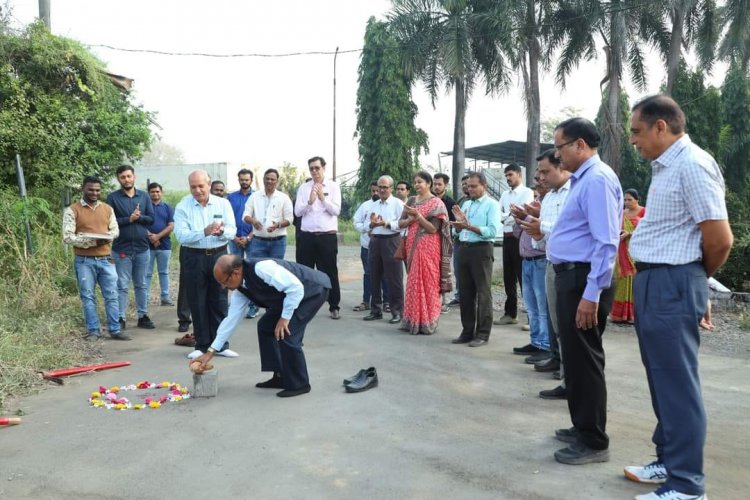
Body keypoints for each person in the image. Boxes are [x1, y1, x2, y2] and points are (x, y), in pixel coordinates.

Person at [626, 95, 733, 500]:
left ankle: (687, 486)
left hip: (674, 281)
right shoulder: (666, 167)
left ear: (661, 126)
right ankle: (669, 461)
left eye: (637, 132)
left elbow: (720, 240)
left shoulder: (692, 164)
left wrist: (693, 279)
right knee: (660, 381)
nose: (633, 140)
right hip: (655, 280)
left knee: (677, 385)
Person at [546, 117, 622, 465]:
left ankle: (594, 441)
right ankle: (582, 426)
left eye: (560, 146)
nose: (557, 154)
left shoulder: (598, 180)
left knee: (585, 359)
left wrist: (592, 294)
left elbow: (606, 242)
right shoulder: (584, 180)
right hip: (572, 278)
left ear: (579, 145)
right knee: (575, 359)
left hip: (584, 281)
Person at [190, 254, 331, 398]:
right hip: (287, 298)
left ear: (236, 273)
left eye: (224, 281)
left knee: (287, 332)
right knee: (266, 326)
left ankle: (300, 384)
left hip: (312, 291)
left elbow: (295, 288)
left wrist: (284, 318)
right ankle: (280, 375)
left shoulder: (261, 268)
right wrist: (210, 351)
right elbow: (231, 320)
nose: (223, 287)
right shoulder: (241, 290)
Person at [519, 149, 572, 400]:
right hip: (553, 263)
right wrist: (535, 229)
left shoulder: (576, 190)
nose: (540, 177)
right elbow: (544, 240)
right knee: (558, 325)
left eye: (545, 171)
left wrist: (541, 226)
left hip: (575, 268)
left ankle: (574, 382)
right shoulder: (549, 198)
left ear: (561, 167)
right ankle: (565, 377)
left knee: (574, 332)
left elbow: (569, 227)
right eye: (539, 172)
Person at [174, 170, 238, 359]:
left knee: (219, 300)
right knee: (197, 299)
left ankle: (220, 345)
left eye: (201, 186)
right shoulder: (183, 206)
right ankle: (202, 345)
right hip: (194, 256)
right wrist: (204, 232)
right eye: (193, 186)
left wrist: (221, 232)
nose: (198, 190)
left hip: (218, 255)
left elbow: (232, 230)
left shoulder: (223, 203)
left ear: (209, 185)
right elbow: (181, 236)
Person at [63, 176, 129, 341]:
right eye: (91, 189)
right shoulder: (72, 210)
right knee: (88, 296)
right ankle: (93, 331)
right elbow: (67, 237)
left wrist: (106, 237)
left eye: (98, 190)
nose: (94, 193)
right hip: (84, 260)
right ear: (83, 189)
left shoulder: (107, 209)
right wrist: (92, 241)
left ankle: (115, 330)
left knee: (112, 294)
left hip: (106, 259)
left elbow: (115, 231)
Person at [450, 172, 501, 347]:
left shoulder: (492, 205)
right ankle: (467, 331)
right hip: (463, 249)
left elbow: (492, 231)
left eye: (473, 186)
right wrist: (457, 227)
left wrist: (468, 226)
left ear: (484, 186)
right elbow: (458, 231)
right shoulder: (466, 205)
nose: (469, 189)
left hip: (481, 250)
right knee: (465, 293)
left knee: (483, 293)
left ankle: (483, 334)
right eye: (467, 186)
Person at [398, 171, 452, 335]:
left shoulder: (436, 203)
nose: (416, 185)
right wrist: (409, 219)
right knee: (413, 282)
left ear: (428, 183)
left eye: (420, 182)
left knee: (428, 282)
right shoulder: (412, 200)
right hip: (412, 245)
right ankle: (412, 320)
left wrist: (419, 216)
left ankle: (427, 322)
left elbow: (433, 228)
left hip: (429, 247)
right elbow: (400, 223)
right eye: (415, 182)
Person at [107, 165, 155, 330]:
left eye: (129, 176)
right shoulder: (112, 198)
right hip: (122, 249)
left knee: (141, 284)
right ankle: (121, 318)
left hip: (142, 248)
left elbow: (151, 219)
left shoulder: (144, 196)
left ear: (134, 177)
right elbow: (110, 223)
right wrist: (129, 219)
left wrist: (139, 217)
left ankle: (143, 316)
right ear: (118, 179)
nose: (126, 179)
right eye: (123, 177)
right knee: (122, 285)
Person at [294, 156, 342, 319]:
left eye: (317, 168)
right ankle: (302, 304)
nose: (314, 171)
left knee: (329, 271)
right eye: (312, 168)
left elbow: (336, 211)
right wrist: (309, 201)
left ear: (323, 168)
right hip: (307, 236)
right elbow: (297, 212)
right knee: (304, 271)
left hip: (326, 237)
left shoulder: (334, 187)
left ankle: (334, 305)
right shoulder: (303, 188)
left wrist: (323, 198)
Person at [511, 177, 550, 364]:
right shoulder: (535, 204)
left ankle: (545, 345)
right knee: (531, 305)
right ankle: (536, 341)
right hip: (527, 260)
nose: (537, 186)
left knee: (543, 307)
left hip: (541, 259)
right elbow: (519, 232)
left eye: (541, 182)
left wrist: (530, 216)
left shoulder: (550, 205)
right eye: (535, 185)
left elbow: (546, 229)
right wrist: (519, 218)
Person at [362, 175, 404, 325]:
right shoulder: (374, 205)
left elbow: (403, 223)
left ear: (391, 188)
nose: (381, 190)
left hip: (391, 240)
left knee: (394, 278)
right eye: (379, 187)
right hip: (375, 241)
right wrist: (373, 225)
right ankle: (375, 310)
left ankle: (397, 311)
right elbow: (366, 225)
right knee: (374, 276)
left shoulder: (398, 204)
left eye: (385, 187)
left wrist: (387, 223)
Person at [496, 163, 534, 325]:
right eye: (506, 176)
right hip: (507, 238)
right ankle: (510, 314)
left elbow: (522, 214)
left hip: (521, 237)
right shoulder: (505, 194)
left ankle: (532, 317)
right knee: (508, 277)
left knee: (523, 276)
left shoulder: (527, 193)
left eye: (510, 175)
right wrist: (509, 214)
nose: (508, 178)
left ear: (519, 174)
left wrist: (508, 215)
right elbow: (500, 214)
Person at [352, 182, 389, 312]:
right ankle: (366, 301)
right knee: (369, 274)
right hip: (367, 246)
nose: (375, 193)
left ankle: (387, 302)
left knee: (385, 274)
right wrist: (366, 228)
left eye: (377, 190)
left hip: (384, 246)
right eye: (373, 191)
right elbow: (356, 221)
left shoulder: (390, 205)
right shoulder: (365, 206)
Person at [227, 168, 259, 319]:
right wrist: (234, 237)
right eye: (242, 179)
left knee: (252, 271)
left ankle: (254, 305)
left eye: (247, 179)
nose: (244, 182)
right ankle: (236, 304)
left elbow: (260, 220)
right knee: (235, 271)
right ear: (238, 179)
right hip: (234, 239)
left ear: (251, 180)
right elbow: (227, 219)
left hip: (253, 239)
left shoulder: (258, 197)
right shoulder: (230, 198)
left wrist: (249, 237)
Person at [610, 188, 645, 323]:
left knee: (635, 281)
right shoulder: (622, 213)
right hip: (621, 251)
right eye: (625, 200)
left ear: (637, 200)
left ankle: (633, 315)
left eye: (630, 199)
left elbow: (647, 231)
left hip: (636, 251)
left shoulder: (644, 212)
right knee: (621, 280)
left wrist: (630, 233)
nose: (626, 202)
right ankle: (619, 315)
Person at [243, 168, 294, 260]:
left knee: (275, 270)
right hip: (257, 242)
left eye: (272, 179)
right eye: (267, 178)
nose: (269, 181)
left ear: (277, 181)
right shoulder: (254, 196)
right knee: (256, 269)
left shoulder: (284, 198)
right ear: (263, 179)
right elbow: (245, 216)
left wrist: (278, 225)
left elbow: (290, 219)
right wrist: (253, 221)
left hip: (278, 243)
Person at [145, 182, 175, 306]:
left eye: (157, 191)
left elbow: (171, 225)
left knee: (164, 272)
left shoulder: (167, 207)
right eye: (152, 191)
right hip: (147, 245)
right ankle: (145, 298)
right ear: (148, 193)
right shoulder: (144, 207)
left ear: (161, 193)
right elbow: (140, 224)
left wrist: (157, 236)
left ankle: (165, 297)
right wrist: (151, 237)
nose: (155, 194)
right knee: (147, 273)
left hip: (165, 246)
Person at [433, 173, 457, 312]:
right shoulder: (428, 200)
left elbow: (454, 223)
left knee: (445, 271)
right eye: (434, 184)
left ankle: (444, 302)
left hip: (445, 242)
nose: (436, 187)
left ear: (446, 185)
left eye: (439, 184)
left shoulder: (451, 203)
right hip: (430, 242)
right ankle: (432, 300)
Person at [447, 175, 471, 308]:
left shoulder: (482, 202)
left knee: (471, 272)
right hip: (458, 240)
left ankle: (471, 298)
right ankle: (459, 296)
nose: (465, 186)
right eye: (463, 184)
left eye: (467, 184)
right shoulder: (461, 200)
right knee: (458, 270)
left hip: (472, 241)